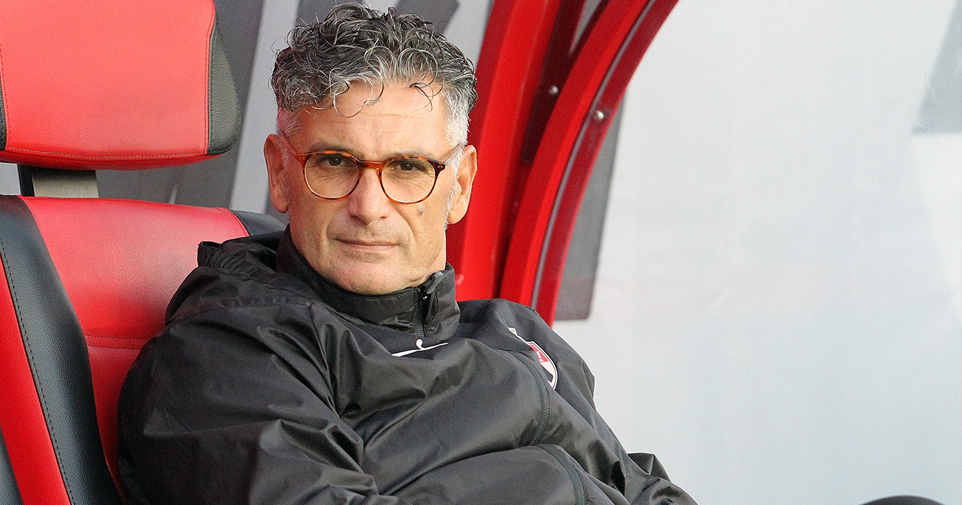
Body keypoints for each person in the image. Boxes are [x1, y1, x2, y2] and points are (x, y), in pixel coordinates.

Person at [118, 4, 696, 504]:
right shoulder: (227, 356)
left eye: (408, 168)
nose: (369, 206)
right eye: (335, 163)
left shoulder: (515, 335)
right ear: (280, 173)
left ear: (460, 185)